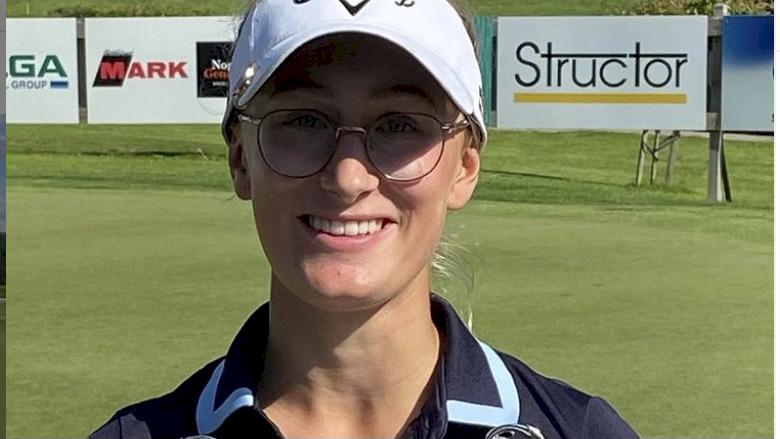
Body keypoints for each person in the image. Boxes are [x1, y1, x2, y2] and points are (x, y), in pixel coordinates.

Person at [90, 0, 640, 438]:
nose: (348, 177)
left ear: (464, 168)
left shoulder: (579, 431)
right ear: (240, 159)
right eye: (304, 120)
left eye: (400, 125)